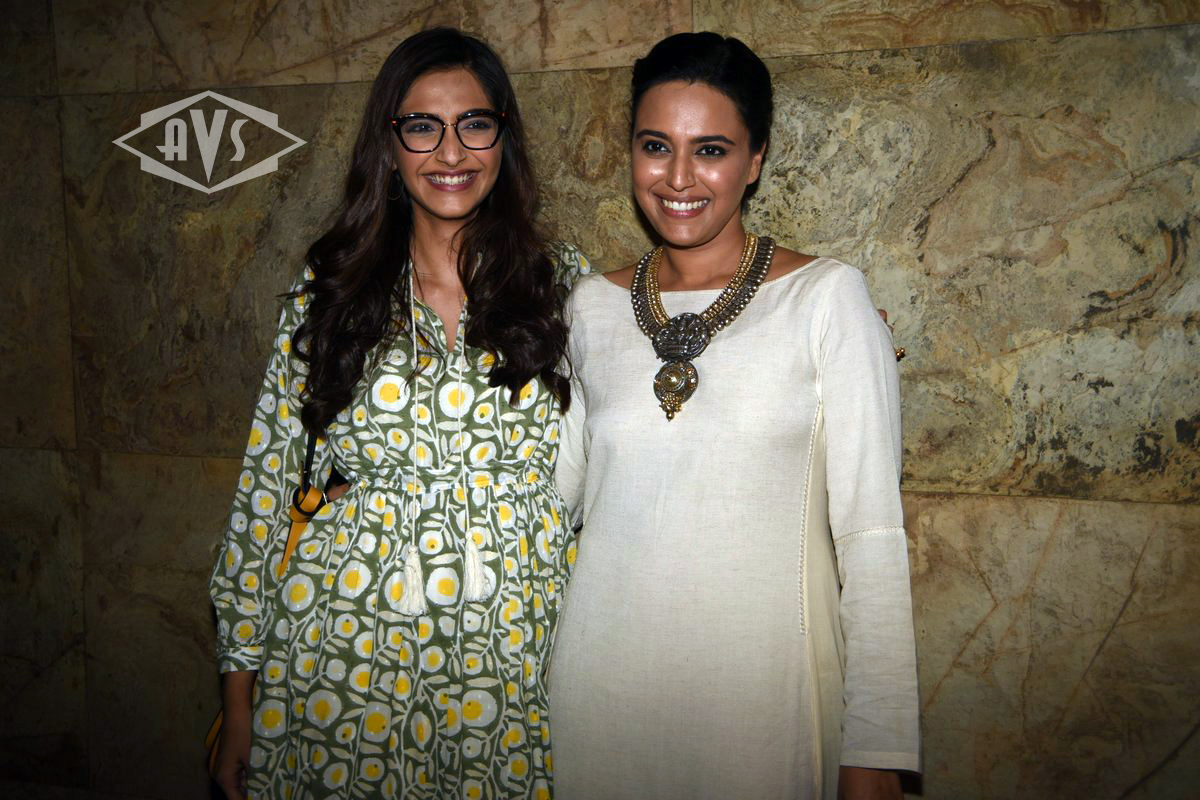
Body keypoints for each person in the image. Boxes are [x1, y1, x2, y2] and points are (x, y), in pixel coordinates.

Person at [209, 27, 589, 800]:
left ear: (504, 138)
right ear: (389, 144)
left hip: (516, 651)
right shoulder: (333, 292)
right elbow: (264, 492)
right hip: (347, 660)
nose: (451, 152)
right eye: (422, 126)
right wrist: (239, 703)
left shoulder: (564, 288)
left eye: (474, 123)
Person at [549, 32, 920, 800]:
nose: (679, 177)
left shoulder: (827, 300)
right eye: (656, 146)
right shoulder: (589, 308)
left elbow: (872, 536)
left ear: (755, 160)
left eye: (711, 150)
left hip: (766, 709)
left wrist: (878, 747)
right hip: (596, 700)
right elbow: (551, 507)